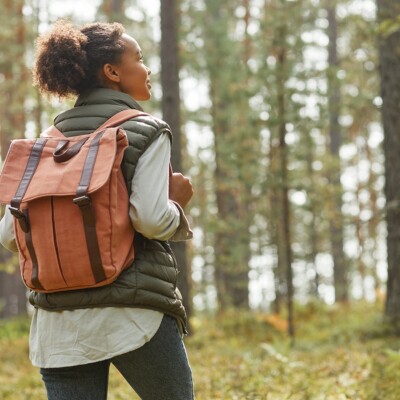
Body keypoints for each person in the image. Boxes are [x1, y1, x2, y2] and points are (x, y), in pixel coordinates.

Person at [0, 20, 194, 400]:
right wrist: (178, 204)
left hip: (58, 327)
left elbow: (9, 235)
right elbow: (151, 220)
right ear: (112, 72)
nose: (147, 67)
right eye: (138, 58)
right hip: (132, 313)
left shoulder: (46, 144)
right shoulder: (145, 129)